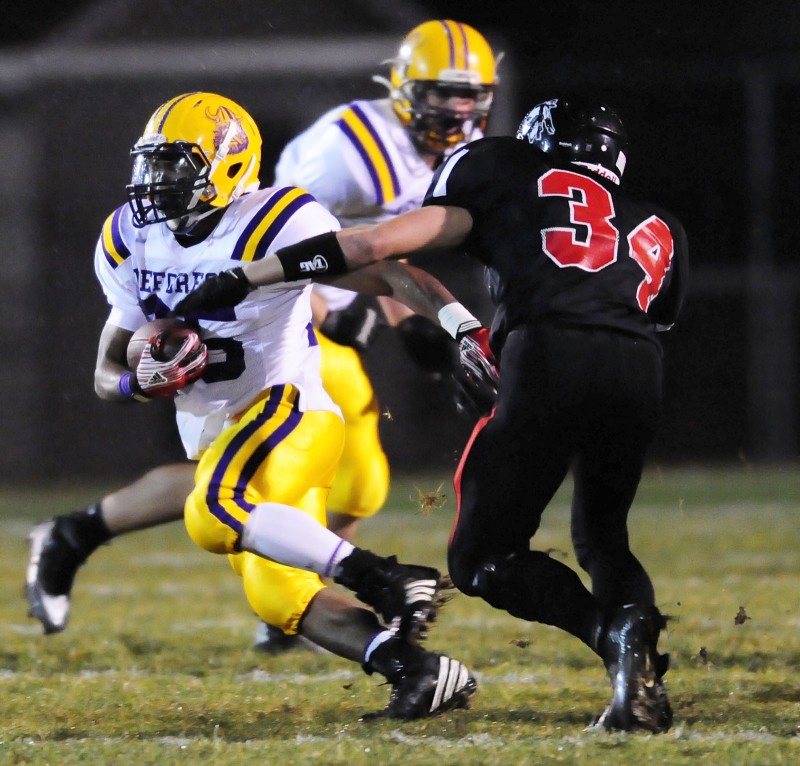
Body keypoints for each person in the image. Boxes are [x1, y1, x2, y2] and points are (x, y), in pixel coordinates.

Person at [173, 96, 689, 733]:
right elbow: (653, 310)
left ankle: (610, 635)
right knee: (605, 536)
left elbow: (373, 244)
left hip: (546, 349)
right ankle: (635, 672)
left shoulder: (501, 169)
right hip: (641, 366)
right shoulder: (658, 222)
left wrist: (249, 275)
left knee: (483, 558)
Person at [25, 18, 500, 649]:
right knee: (252, 487)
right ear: (405, 84)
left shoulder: (431, 157)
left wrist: (430, 320)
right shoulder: (346, 153)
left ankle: (95, 538)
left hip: (312, 304)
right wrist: (357, 311)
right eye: (442, 94)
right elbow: (302, 257)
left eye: (469, 96)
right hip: (283, 315)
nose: (457, 110)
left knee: (298, 485)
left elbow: (369, 260)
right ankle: (306, 592)